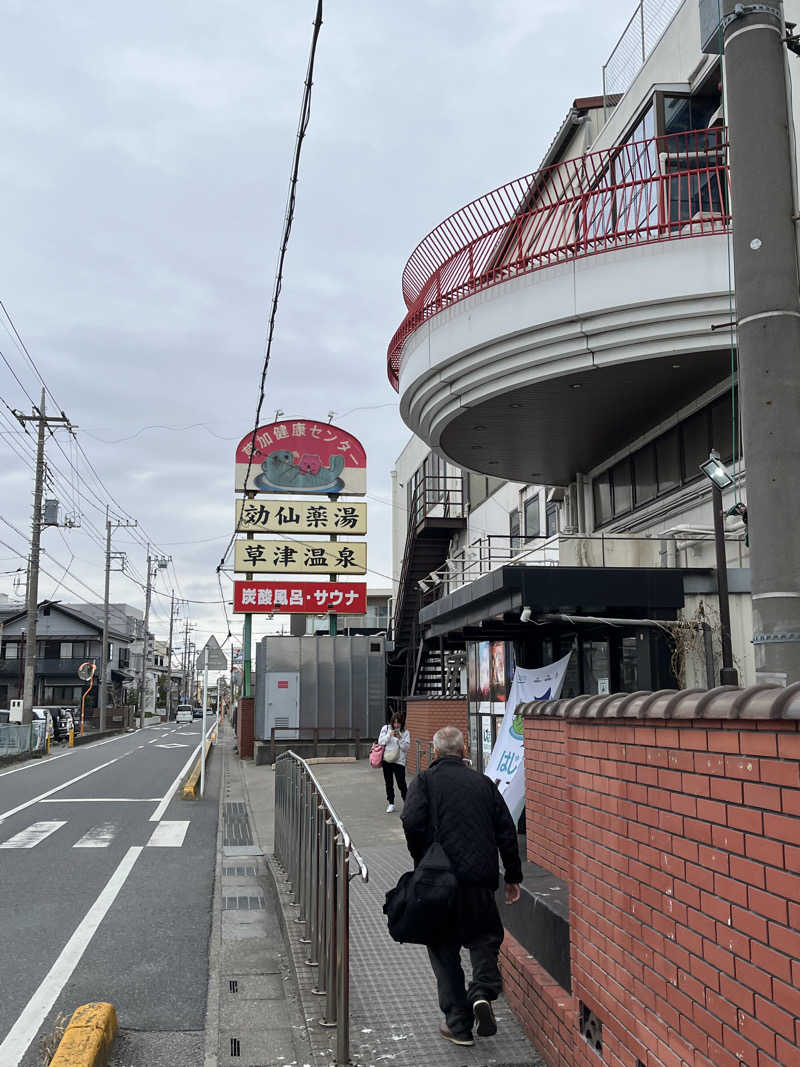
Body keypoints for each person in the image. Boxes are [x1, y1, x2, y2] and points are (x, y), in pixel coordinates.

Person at [401, 725, 522, 1048]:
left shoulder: (424, 782)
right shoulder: (483, 784)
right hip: (479, 880)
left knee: (443, 949)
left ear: (436, 754)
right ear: (464, 752)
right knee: (483, 938)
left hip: (438, 882)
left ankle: (458, 1025)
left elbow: (411, 821)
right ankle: (482, 991)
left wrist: (423, 859)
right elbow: (506, 831)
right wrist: (512, 876)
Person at [378, 713, 410, 813]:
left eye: (398, 722)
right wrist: (389, 735)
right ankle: (391, 803)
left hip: (399, 761)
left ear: (402, 723)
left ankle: (407, 803)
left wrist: (400, 738)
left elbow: (406, 748)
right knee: (389, 783)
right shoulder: (386, 728)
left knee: (401, 783)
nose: (396, 725)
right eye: (395, 722)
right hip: (387, 760)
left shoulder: (405, 732)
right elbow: (380, 742)